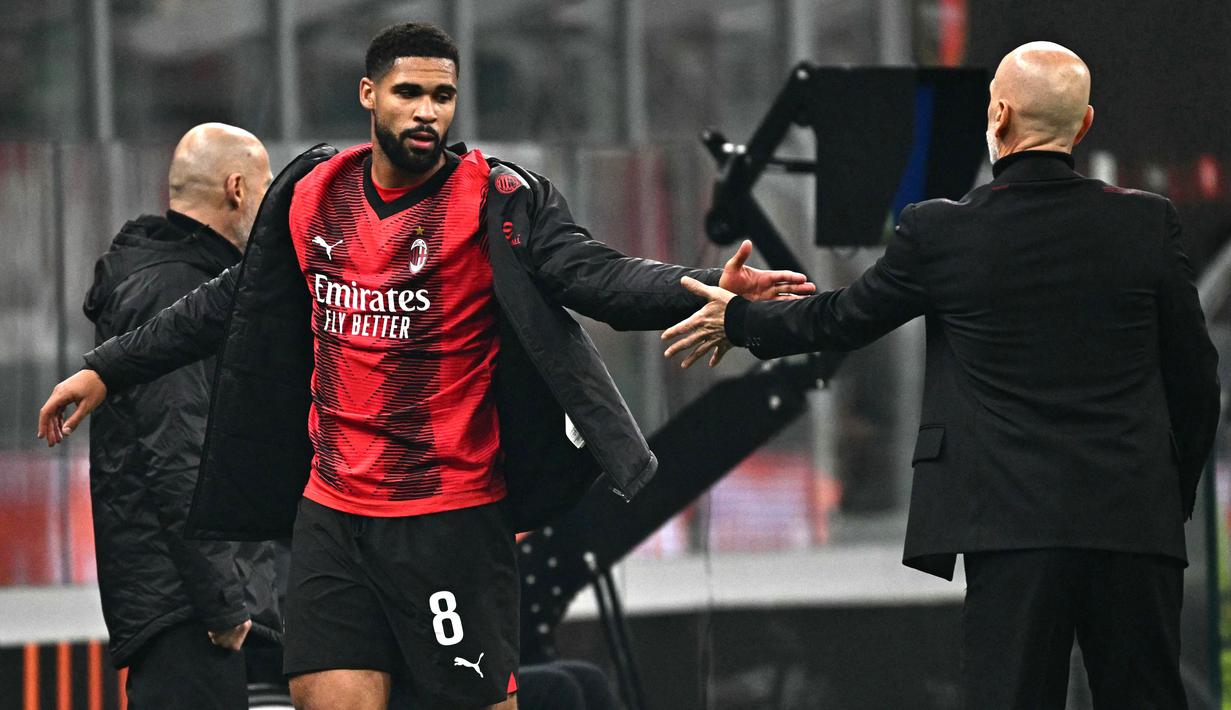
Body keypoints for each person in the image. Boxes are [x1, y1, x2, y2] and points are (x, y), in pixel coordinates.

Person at [37, 23, 814, 710]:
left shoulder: (495, 200)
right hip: (334, 514)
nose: (427, 111)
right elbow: (228, 302)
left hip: (448, 517)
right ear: (369, 95)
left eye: (442, 95)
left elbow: (596, 276)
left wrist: (715, 291)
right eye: (409, 92)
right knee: (326, 696)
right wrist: (109, 369)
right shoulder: (314, 196)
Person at [663, 41, 1220, 708]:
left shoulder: (942, 232)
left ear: (999, 116)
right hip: (1131, 522)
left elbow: (840, 320)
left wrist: (741, 321)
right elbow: (1194, 382)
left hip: (1009, 529)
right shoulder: (1145, 223)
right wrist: (1164, 497)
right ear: (1084, 124)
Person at [81, 123, 281, 709]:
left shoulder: (178, 279)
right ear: (238, 189)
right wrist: (222, 601)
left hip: (182, 598)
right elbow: (179, 453)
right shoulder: (176, 290)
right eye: (269, 190)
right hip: (186, 608)